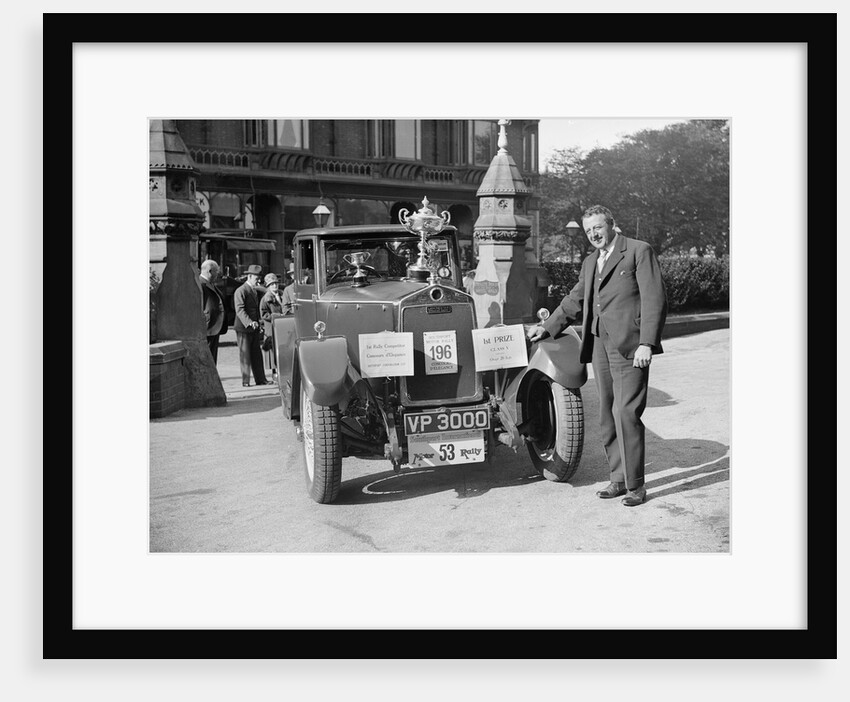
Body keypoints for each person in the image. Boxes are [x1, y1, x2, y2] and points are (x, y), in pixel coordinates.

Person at [526, 205, 667, 507]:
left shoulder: (638, 251)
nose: (593, 234)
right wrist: (546, 328)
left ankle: (636, 486)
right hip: (599, 344)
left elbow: (654, 299)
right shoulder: (591, 261)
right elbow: (575, 299)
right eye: (588, 230)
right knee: (607, 412)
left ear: (612, 225)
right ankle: (618, 478)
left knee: (626, 413)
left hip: (629, 345)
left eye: (598, 228)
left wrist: (647, 343)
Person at [233, 264, 268, 387]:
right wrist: (249, 322)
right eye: (256, 278)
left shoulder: (254, 290)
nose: (258, 281)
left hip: (254, 327)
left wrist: (258, 323)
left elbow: (255, 310)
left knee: (256, 354)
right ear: (249, 276)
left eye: (259, 278)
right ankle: (246, 381)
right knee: (245, 355)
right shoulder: (241, 291)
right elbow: (240, 310)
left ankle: (261, 379)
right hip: (243, 328)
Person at [199, 259, 227, 364]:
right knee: (207, 359)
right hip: (207, 327)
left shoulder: (210, 283)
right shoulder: (200, 283)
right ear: (210, 271)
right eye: (216, 271)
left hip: (214, 326)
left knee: (212, 358)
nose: (218, 274)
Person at [260, 272, 284, 382]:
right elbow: (264, 314)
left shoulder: (282, 295)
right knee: (273, 351)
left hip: (282, 327)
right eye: (272, 284)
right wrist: (276, 316)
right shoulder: (266, 299)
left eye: (276, 283)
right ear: (268, 286)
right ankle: (275, 374)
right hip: (272, 328)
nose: (275, 286)